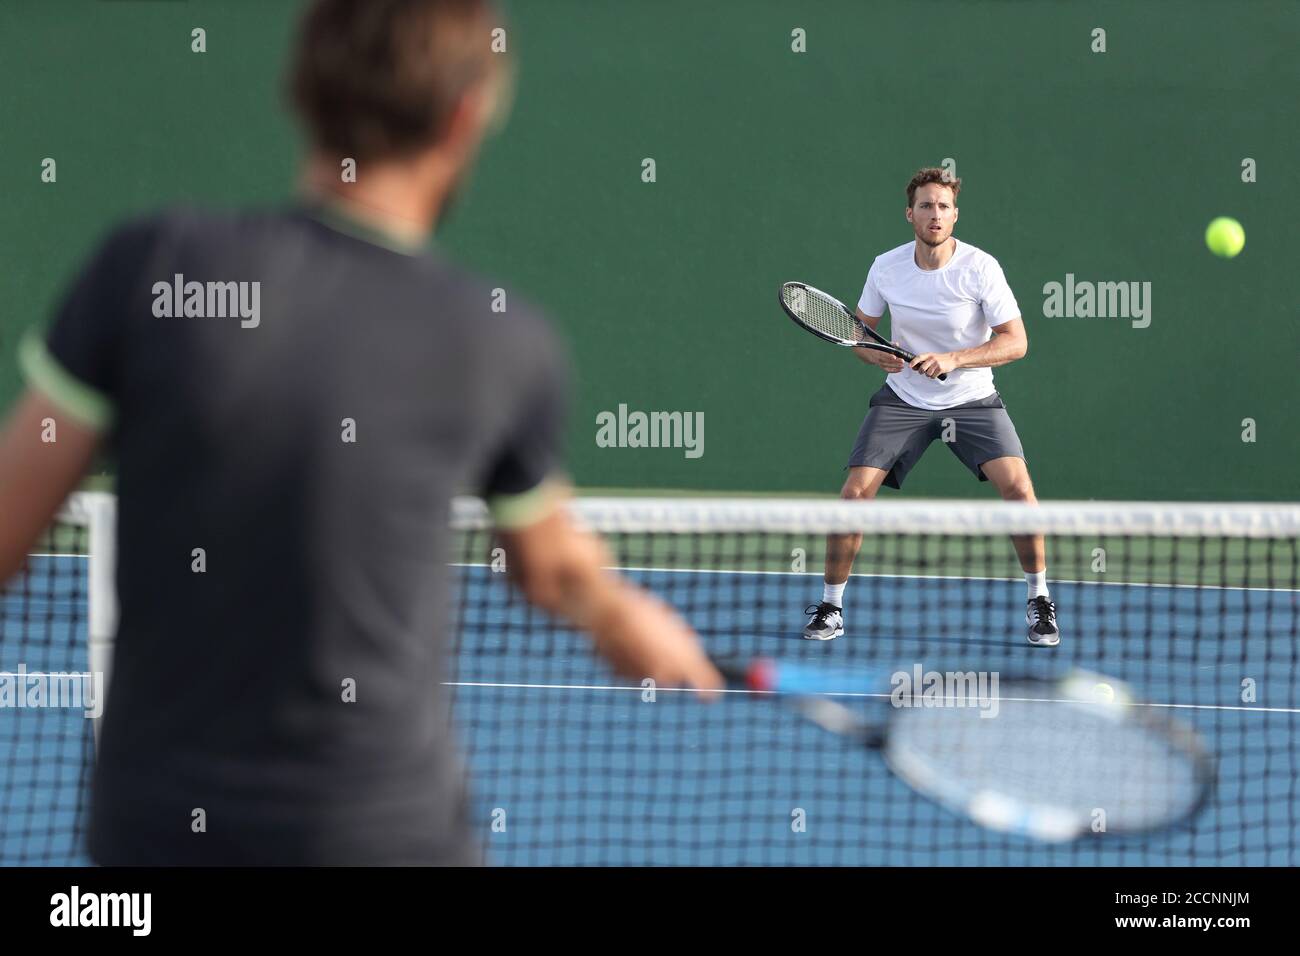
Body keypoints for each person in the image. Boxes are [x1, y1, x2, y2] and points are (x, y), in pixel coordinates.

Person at [0, 0, 719, 865]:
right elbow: (551, 568)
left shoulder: (151, 267)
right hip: (388, 839)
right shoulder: (498, 343)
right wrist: (620, 614)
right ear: (463, 118)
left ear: (301, 89)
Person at [802, 168, 1059, 648]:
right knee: (853, 496)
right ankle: (832, 605)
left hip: (973, 398)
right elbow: (858, 332)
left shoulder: (981, 268)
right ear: (910, 214)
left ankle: (1040, 599)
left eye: (943, 206)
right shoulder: (886, 267)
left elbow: (1017, 342)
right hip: (904, 398)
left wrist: (955, 358)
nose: (934, 214)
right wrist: (873, 354)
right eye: (925, 205)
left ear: (954, 215)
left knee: (1020, 492)